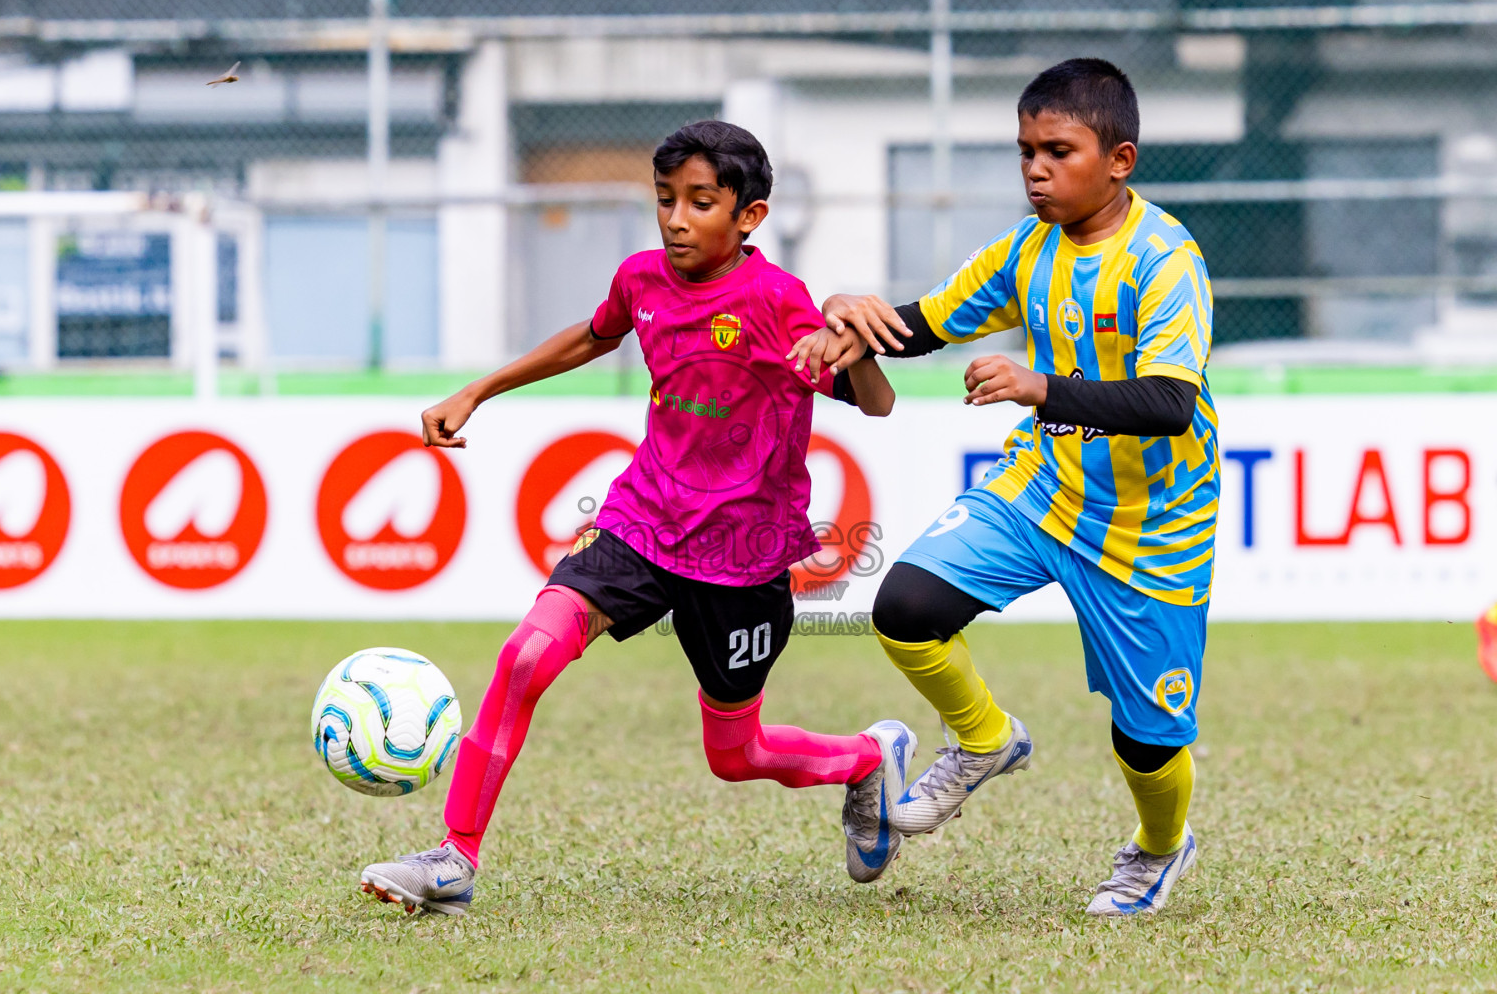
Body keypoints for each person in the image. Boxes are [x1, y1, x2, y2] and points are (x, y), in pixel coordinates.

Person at [359, 120, 916, 916]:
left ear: (749, 217)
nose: (677, 219)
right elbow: (591, 337)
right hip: (641, 523)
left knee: (736, 754)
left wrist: (855, 347)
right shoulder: (642, 280)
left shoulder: (774, 301)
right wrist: (475, 390)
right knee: (526, 655)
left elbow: (879, 405)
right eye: (665, 200)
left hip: (743, 561)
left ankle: (867, 758)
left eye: (699, 203)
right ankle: (454, 858)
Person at [791, 58, 1218, 917]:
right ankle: (985, 740)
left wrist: (1039, 388)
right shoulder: (1025, 249)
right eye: (1026, 150)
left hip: (1153, 527)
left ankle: (1158, 850)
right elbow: (922, 326)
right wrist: (852, 318)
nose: (1035, 168)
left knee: (1146, 741)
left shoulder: (1166, 261)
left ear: (1119, 160)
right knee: (905, 607)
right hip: (1039, 489)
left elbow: (1171, 404)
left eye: (1058, 151)